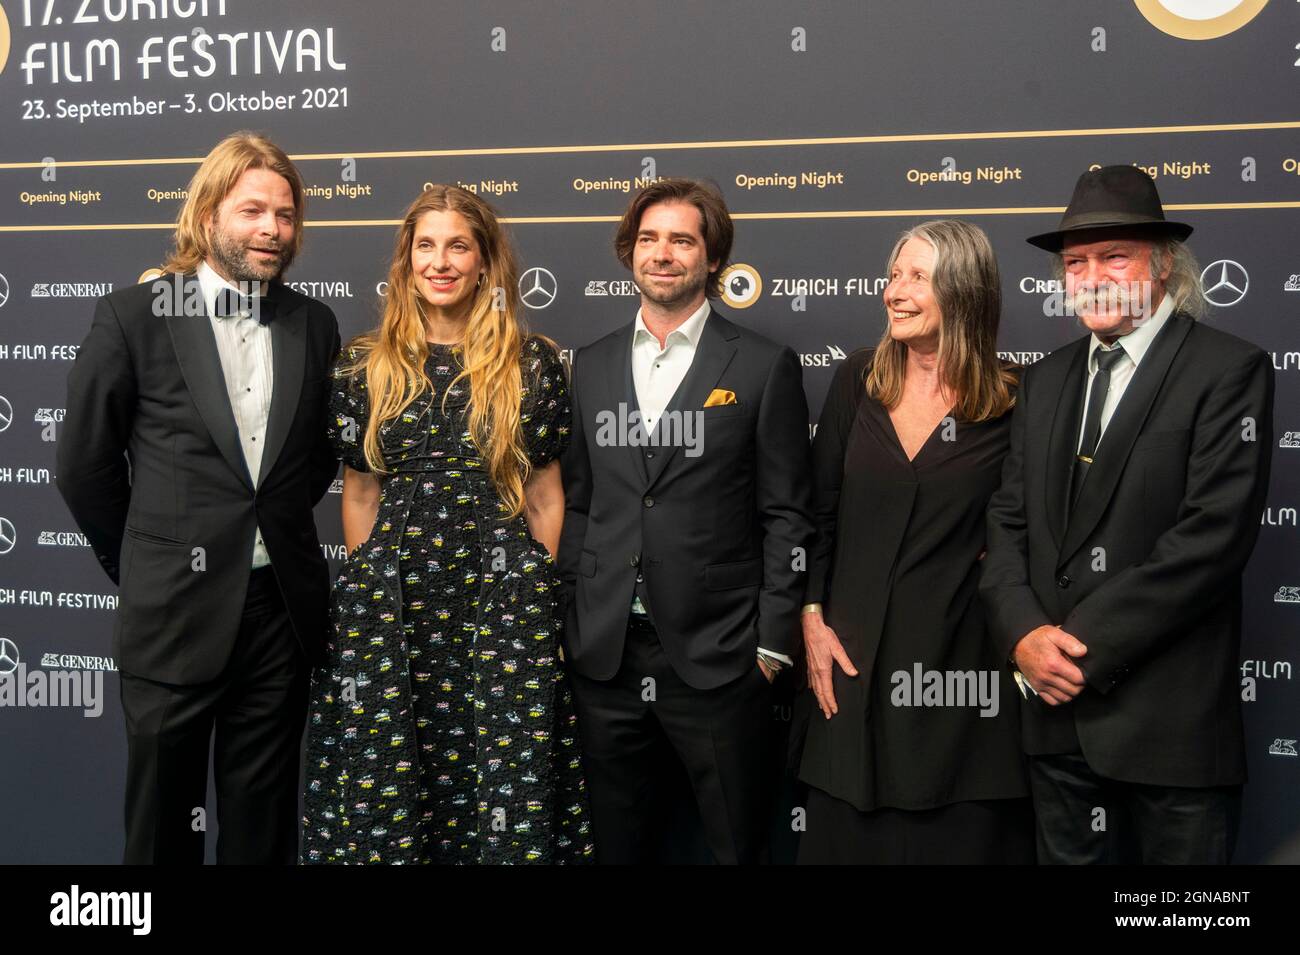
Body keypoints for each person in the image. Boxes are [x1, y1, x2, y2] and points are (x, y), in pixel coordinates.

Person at [56, 132, 341, 864]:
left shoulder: (314, 324)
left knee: (262, 828)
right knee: (160, 834)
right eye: (252, 211)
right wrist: (147, 565)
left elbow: (307, 465)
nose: (272, 230)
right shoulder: (135, 315)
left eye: (285, 214)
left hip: (277, 616)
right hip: (171, 615)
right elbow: (84, 465)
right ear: (209, 213)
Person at [980, 165, 1274, 864]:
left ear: (1163, 263)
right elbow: (1007, 523)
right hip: (1053, 723)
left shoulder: (1228, 371)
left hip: (1169, 732)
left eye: (1114, 255)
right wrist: (1023, 638)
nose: (1092, 275)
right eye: (1076, 262)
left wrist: (1078, 652)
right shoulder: (1045, 380)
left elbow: (1210, 540)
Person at [301, 185, 592, 864]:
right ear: (405, 262)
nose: (441, 261)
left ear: (485, 261)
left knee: (499, 770)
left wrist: (536, 594)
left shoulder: (531, 362)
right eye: (425, 246)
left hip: (502, 605)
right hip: (393, 609)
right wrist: (375, 589)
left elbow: (547, 495)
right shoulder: (363, 365)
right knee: (396, 773)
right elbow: (361, 491)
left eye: (458, 245)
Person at [558, 178, 814, 864]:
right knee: (618, 846)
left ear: (711, 256)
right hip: (607, 654)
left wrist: (771, 646)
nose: (662, 253)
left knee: (736, 845)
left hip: (721, 658)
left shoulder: (763, 367)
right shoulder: (591, 363)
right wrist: (573, 615)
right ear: (628, 253)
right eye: (648, 238)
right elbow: (580, 502)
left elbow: (787, 514)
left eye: (681, 239)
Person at [794, 220, 1033, 864]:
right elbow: (816, 515)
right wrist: (811, 617)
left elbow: (1032, 526)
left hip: (964, 676)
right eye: (894, 274)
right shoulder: (857, 382)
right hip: (851, 667)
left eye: (916, 277)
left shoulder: (1016, 399)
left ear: (964, 291)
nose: (894, 291)